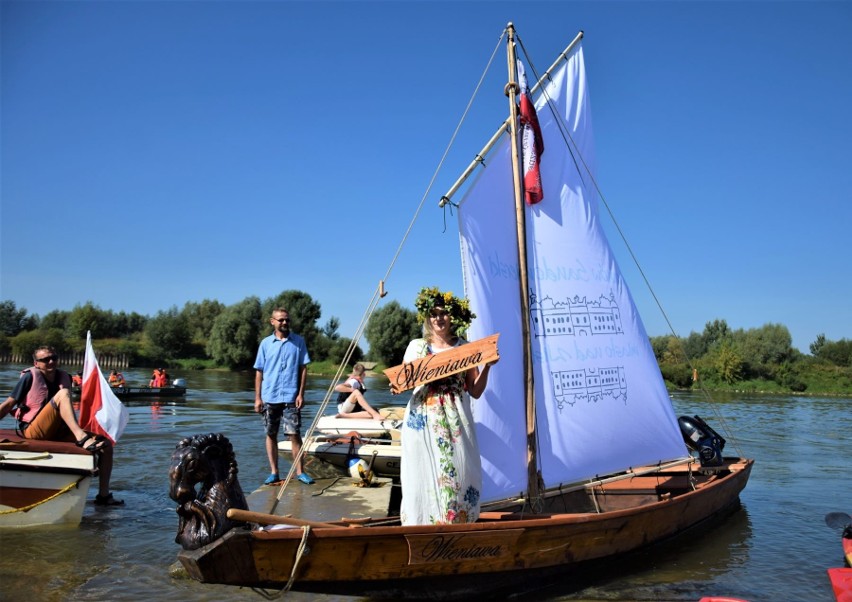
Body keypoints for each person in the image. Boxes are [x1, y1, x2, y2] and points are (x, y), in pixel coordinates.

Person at [400, 287, 495, 526]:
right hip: (422, 418)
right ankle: (420, 524)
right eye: (434, 314)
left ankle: (455, 522)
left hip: (455, 419)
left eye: (443, 313)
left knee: (459, 468)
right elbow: (403, 381)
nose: (439, 318)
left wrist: (488, 367)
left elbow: (474, 391)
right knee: (421, 470)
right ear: (427, 318)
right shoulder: (416, 347)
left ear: (452, 317)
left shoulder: (466, 348)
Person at [0, 345, 124, 506]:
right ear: (36, 363)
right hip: (34, 430)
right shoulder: (29, 377)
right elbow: (9, 404)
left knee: (106, 445)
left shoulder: (65, 377)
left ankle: (103, 496)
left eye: (54, 358)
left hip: (58, 431)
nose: (51, 362)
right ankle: (81, 437)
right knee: (63, 393)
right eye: (45, 360)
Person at [254, 308, 314, 486]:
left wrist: (301, 393)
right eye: (281, 320)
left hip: (291, 396)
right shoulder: (265, 344)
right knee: (270, 433)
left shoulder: (298, 342)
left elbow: (303, 368)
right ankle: (274, 472)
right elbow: (259, 371)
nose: (285, 323)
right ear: (272, 321)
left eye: (287, 320)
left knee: (294, 434)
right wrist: (257, 398)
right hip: (269, 396)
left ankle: (300, 472)